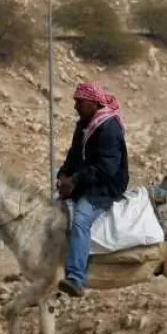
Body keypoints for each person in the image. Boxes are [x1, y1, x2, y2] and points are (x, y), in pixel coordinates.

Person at [54, 81, 129, 297]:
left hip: (105, 186)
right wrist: (63, 175)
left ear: (93, 103)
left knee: (80, 220)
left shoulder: (109, 127)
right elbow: (74, 155)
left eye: (79, 102)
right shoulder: (84, 124)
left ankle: (76, 278)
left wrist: (75, 180)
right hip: (85, 181)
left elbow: (107, 167)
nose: (75, 106)